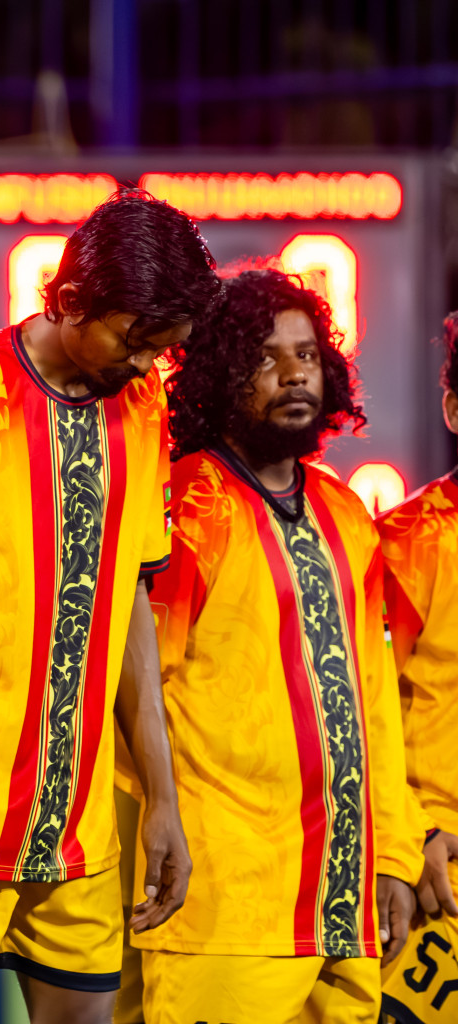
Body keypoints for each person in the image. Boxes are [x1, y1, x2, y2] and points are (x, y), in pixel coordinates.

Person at [0, 189, 216, 1023]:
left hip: (81, 834)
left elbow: (128, 599)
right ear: (67, 301)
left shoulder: (144, 407)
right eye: (135, 340)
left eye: (163, 350)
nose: (145, 364)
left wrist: (160, 796)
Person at [141, 268, 425, 1022]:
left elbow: (376, 706)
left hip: (344, 908)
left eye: (306, 354)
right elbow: (130, 703)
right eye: (266, 357)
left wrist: (393, 857)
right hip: (223, 913)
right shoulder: (188, 505)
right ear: (219, 375)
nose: (295, 372)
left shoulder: (344, 512)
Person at [376, 312, 458, 1024]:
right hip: (438, 889)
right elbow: (359, 717)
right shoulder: (405, 546)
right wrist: (412, 837)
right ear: (454, 409)